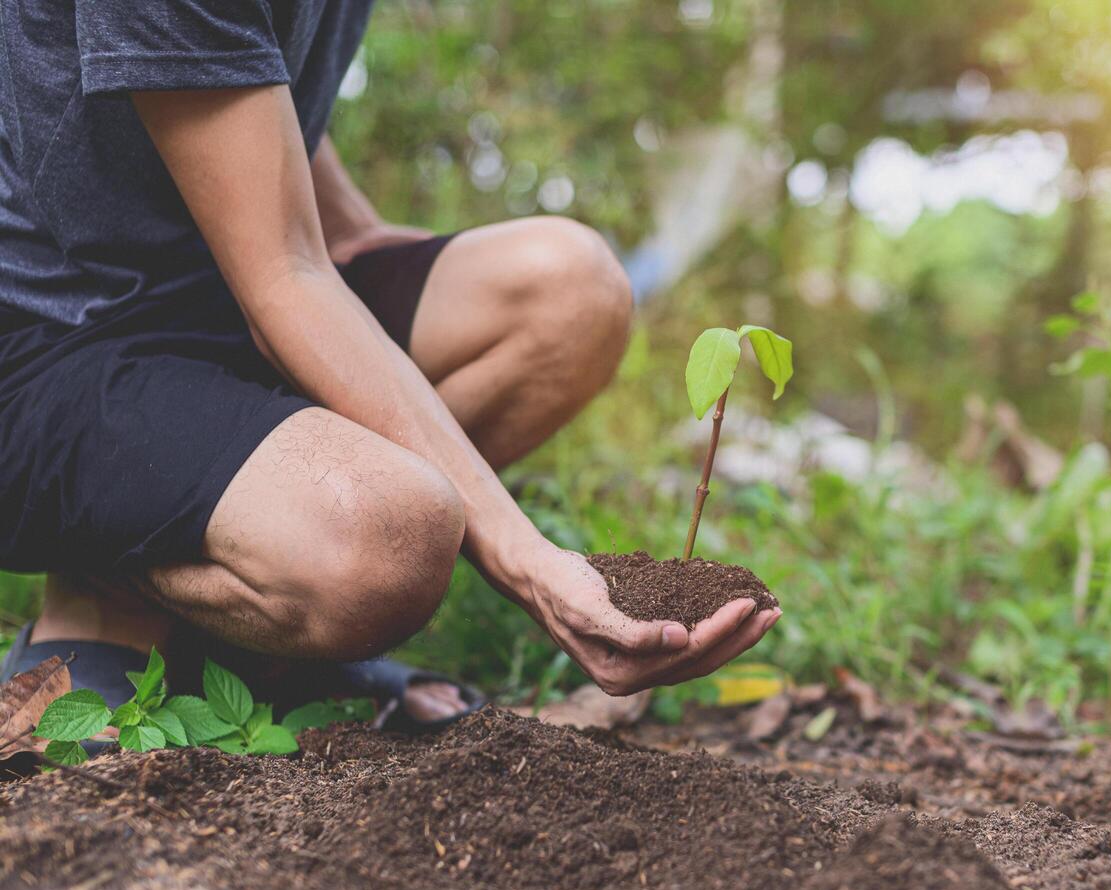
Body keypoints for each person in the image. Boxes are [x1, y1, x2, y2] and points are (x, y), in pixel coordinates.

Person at [0, 1, 778, 728]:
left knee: (572, 291)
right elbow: (284, 278)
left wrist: (367, 246)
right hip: (51, 347)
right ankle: (100, 608)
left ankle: (251, 630)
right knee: (394, 535)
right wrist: (531, 562)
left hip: (217, 303)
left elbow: (239, 94)